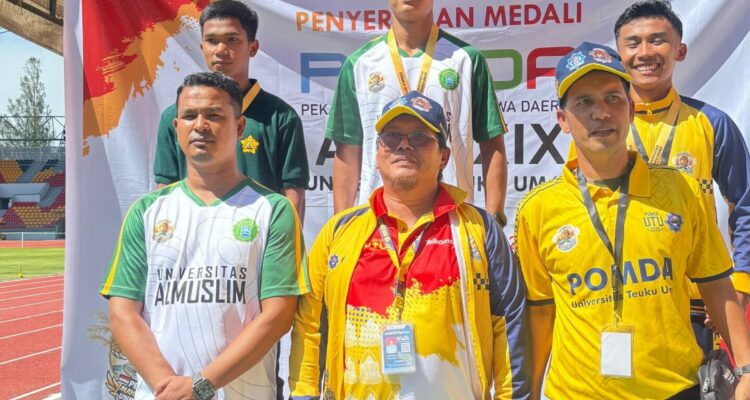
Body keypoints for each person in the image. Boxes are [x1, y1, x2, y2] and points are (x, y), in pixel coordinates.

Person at [515, 42, 750, 399]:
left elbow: (717, 285)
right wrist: (529, 393)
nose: (601, 113)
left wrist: (746, 369)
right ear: (562, 120)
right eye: (584, 102)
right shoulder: (538, 209)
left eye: (613, 98)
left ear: (632, 109)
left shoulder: (681, 189)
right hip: (577, 393)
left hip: (675, 389)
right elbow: (539, 313)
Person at [289, 91, 530, 399]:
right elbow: (309, 327)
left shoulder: (479, 230)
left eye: (419, 137)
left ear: (444, 156)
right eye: (391, 137)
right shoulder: (339, 231)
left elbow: (510, 328)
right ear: (377, 154)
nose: (404, 145)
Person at [100, 72, 309, 400]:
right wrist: (169, 387)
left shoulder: (273, 210)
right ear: (176, 127)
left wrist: (201, 385)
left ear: (239, 127)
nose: (200, 125)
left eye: (214, 115)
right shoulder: (146, 212)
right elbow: (123, 313)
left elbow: (278, 315)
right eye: (189, 116)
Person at [613, 0, 750, 354]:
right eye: (633, 43)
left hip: (698, 304)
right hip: (617, 298)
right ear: (619, 55)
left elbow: (746, 206)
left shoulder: (711, 123)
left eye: (657, 40)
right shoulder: (602, 128)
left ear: (680, 51)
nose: (645, 52)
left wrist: (741, 283)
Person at [328, 0, 508, 225]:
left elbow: (492, 145)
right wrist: (341, 227)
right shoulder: (360, 64)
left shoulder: (467, 60)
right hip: (377, 225)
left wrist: (493, 221)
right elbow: (347, 151)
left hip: (452, 222)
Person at [153, 0, 309, 220]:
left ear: (253, 47)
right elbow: (165, 193)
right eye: (212, 41)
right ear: (202, 47)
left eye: (232, 40)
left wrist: (282, 239)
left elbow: (293, 198)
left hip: (257, 235)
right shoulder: (176, 116)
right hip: (193, 236)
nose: (221, 50)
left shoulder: (280, 117)